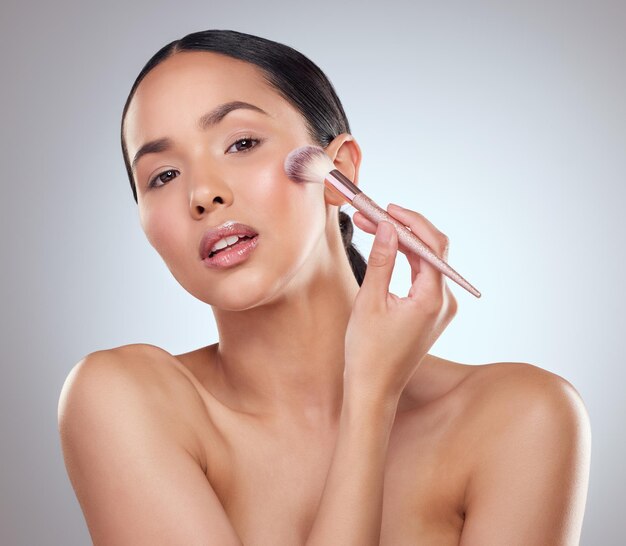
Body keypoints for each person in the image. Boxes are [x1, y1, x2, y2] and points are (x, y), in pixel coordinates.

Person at [57, 29, 591, 545]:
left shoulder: (522, 419)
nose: (202, 193)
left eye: (241, 143)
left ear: (339, 172)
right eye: (163, 176)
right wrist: (369, 400)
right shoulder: (122, 401)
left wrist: (372, 389)